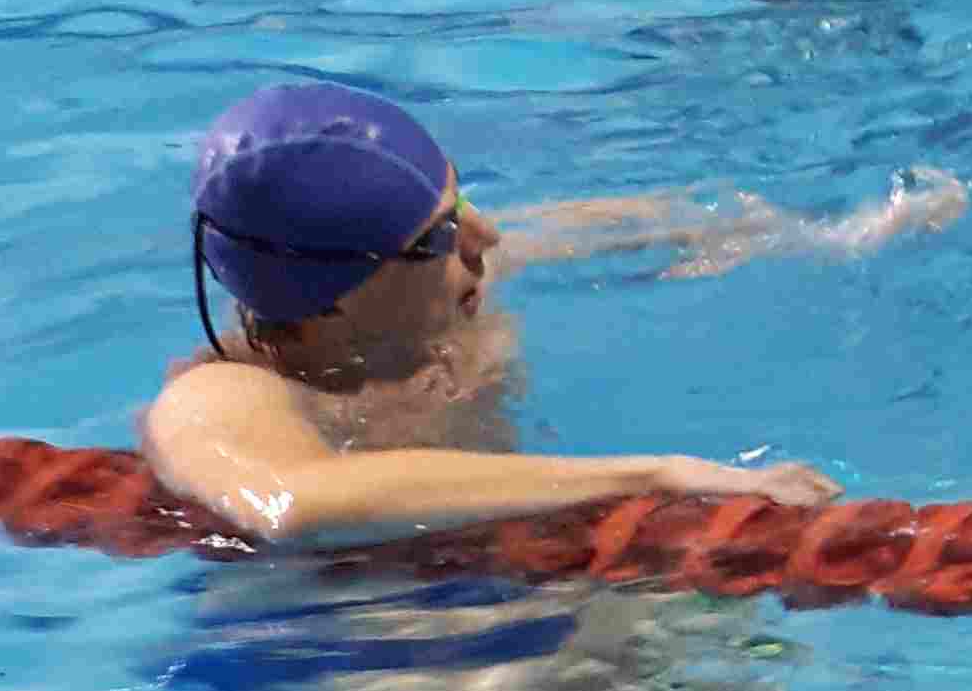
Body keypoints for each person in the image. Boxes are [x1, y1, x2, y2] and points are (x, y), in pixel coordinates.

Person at [145, 81, 844, 549]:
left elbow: (630, 224)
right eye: (442, 234)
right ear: (332, 296)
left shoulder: (432, 293)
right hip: (361, 633)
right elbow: (293, 504)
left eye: (463, 203)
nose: (489, 237)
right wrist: (655, 474)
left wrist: (825, 232)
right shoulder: (219, 398)